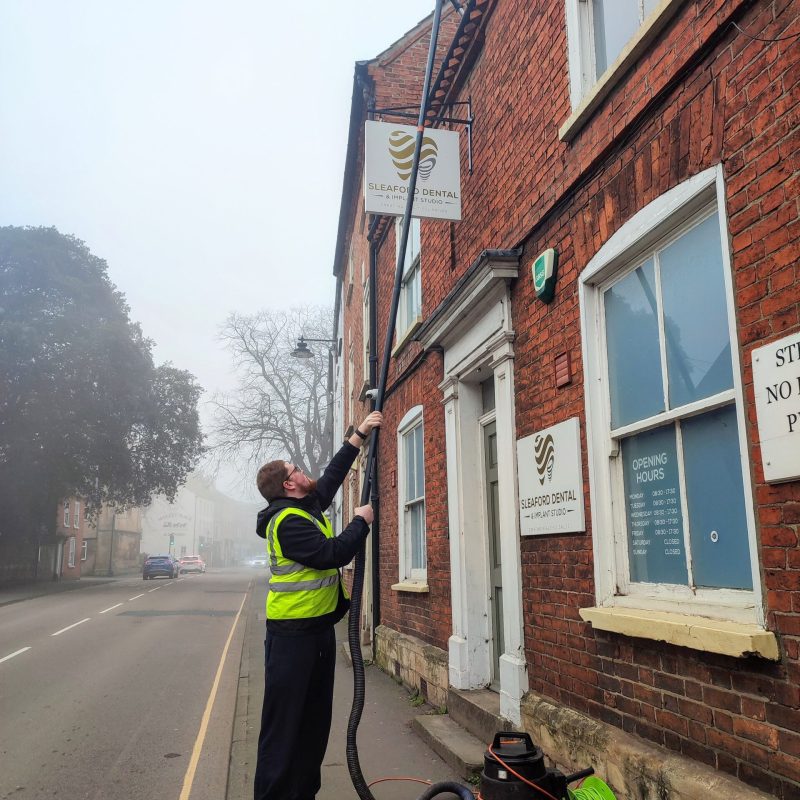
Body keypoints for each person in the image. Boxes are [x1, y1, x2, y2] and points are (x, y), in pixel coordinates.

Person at [253, 411, 383, 800]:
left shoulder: (302, 506)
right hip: (292, 640)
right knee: (284, 730)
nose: (304, 469)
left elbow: (329, 480)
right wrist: (361, 521)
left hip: (316, 635)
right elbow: (331, 554)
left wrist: (358, 436)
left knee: (312, 726)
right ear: (289, 483)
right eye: (297, 468)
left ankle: (302, 794)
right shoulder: (288, 522)